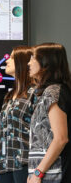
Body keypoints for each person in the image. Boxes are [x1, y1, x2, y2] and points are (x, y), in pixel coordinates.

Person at [27, 43, 71, 183]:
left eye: (33, 58)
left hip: (53, 174)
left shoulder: (54, 92)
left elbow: (60, 139)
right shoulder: (47, 92)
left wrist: (38, 173)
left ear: (46, 62)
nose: (29, 63)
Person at [0, 46, 34, 183]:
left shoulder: (35, 93)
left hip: (26, 163)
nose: (7, 60)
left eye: (13, 57)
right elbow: (4, 135)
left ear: (23, 62)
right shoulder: (8, 96)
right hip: (5, 165)